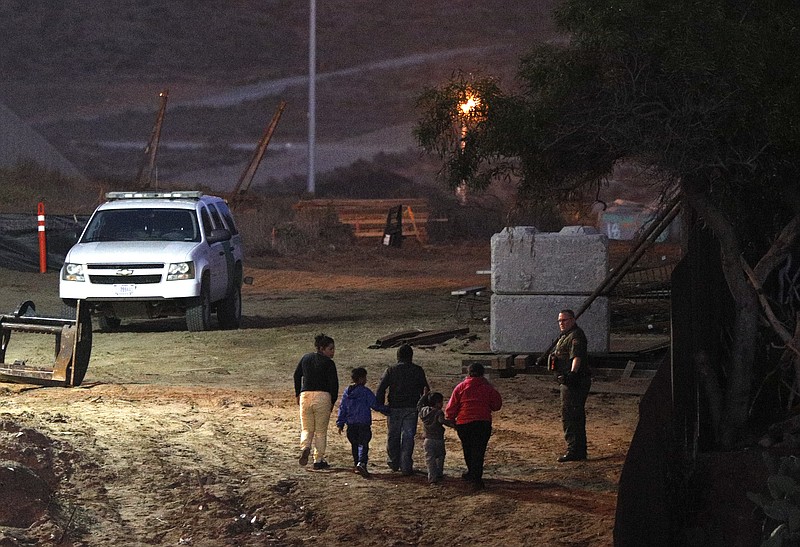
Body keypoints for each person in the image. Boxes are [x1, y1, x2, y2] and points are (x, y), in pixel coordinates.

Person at [445, 362, 502, 490]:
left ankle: (472, 473)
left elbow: (452, 407)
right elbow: (496, 405)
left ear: (468, 373)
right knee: (479, 451)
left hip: (464, 423)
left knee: (468, 449)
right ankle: (476, 477)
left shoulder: (460, 387)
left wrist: (450, 419)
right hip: (482, 423)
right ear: (483, 374)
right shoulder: (487, 388)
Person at [376, 344, 430, 476]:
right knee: (408, 437)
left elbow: (381, 388)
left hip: (394, 407)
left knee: (393, 435)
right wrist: (425, 407)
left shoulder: (391, 370)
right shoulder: (418, 370)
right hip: (412, 407)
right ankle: (406, 466)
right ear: (411, 356)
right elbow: (425, 390)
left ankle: (394, 462)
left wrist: (381, 406)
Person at [549, 309, 592, 462]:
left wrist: (572, 374)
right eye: (560, 321)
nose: (561, 323)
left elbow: (576, 357)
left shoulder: (575, 336)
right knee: (571, 415)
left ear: (573, 320)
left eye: (565, 320)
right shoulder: (565, 336)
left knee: (571, 415)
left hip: (575, 382)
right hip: (567, 381)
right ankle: (576, 448)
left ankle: (575, 450)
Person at [293, 333, 339, 470]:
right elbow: (334, 384)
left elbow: (296, 375)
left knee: (306, 427)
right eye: (330, 349)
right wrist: (333, 400)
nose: (333, 352)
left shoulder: (306, 358)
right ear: (322, 349)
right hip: (322, 397)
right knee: (320, 431)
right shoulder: (329, 363)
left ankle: (305, 446)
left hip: (305, 395)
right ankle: (318, 460)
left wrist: (297, 393)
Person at [336, 367, 389, 477]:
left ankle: (357, 464)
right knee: (363, 444)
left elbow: (342, 407)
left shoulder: (347, 392)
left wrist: (340, 423)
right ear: (361, 379)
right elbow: (374, 405)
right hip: (363, 423)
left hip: (351, 424)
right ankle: (362, 463)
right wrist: (387, 410)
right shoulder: (365, 392)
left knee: (354, 445)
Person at [417, 391, 454, 485]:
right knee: (440, 457)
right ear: (438, 403)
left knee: (430, 459)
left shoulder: (424, 411)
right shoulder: (438, 412)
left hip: (427, 440)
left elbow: (419, 405)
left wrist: (424, 395)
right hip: (438, 439)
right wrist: (452, 424)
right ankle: (439, 474)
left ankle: (432, 478)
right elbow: (442, 421)